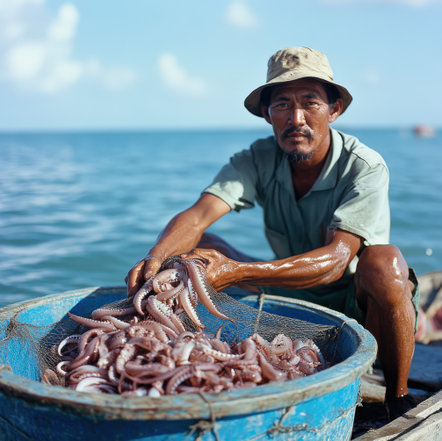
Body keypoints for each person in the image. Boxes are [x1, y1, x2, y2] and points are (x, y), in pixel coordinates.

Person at [126, 46, 419, 420]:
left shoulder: (364, 166)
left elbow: (336, 262)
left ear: (334, 110)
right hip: (286, 289)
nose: (296, 118)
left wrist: (236, 271)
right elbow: (198, 216)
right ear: (267, 114)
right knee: (195, 247)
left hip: (353, 299)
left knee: (385, 262)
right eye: (282, 105)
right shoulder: (257, 158)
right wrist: (155, 257)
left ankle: (398, 395)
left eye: (310, 103)